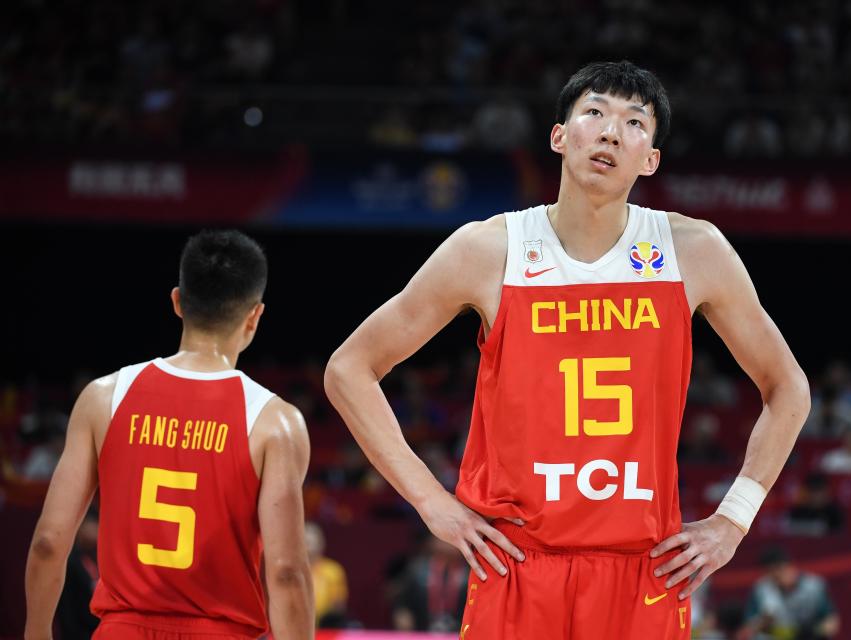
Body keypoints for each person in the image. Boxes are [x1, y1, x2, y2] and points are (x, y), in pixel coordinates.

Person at [325, 60, 810, 639]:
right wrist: (431, 501)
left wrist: (733, 519)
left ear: (650, 159)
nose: (610, 132)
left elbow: (789, 390)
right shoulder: (489, 249)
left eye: (634, 123)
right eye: (595, 112)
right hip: (517, 565)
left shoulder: (693, 250)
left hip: (642, 570)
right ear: (559, 135)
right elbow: (349, 368)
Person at [25, 230, 314, 639]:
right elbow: (286, 573)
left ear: (178, 301)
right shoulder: (275, 422)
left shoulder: (103, 398)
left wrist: (35, 632)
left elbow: (49, 543)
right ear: (255, 315)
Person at [740, 546, 839, 640]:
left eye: (779, 568)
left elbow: (832, 622)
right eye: (769, 571)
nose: (776, 574)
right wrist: (764, 621)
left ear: (790, 565)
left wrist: (814, 631)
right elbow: (748, 628)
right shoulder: (761, 589)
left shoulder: (814, 585)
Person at [305, 521, 348, 627]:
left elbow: (338, 605)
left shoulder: (333, 570)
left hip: (327, 627)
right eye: (307, 542)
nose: (311, 547)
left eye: (314, 542)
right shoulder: (293, 572)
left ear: (321, 543)